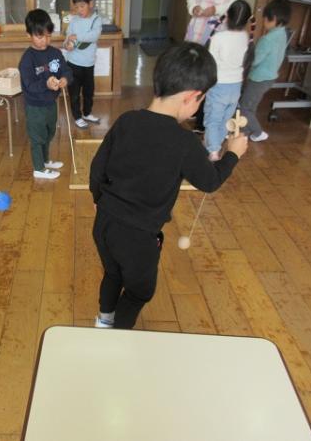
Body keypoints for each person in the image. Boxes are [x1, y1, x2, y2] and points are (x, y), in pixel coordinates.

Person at [89, 43, 248, 329]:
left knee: (113, 273)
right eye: (201, 101)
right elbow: (210, 181)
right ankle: (116, 336)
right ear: (192, 97)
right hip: (138, 237)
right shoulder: (184, 141)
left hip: (104, 223)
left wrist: (100, 200)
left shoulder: (127, 120)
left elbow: (97, 168)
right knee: (139, 291)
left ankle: (104, 321)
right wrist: (233, 154)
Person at [19, 9, 73, 180]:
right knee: (38, 137)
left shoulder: (55, 53)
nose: (45, 40)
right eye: (40, 36)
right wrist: (46, 84)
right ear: (29, 35)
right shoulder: (27, 59)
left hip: (51, 103)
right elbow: (29, 85)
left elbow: (67, 70)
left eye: (48, 36)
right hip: (35, 106)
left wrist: (64, 79)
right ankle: (39, 168)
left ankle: (45, 160)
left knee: (49, 133)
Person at [185, 0, 247, 134]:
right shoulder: (243, 38)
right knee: (195, 73)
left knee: (207, 76)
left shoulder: (226, 37)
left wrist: (216, 10)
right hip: (197, 32)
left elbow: (236, 6)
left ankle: (202, 121)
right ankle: (196, 111)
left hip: (218, 35)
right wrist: (193, 7)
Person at [204, 0, 252, 161]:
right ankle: (214, 145)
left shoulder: (218, 37)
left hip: (219, 85)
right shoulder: (245, 37)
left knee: (213, 119)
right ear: (246, 20)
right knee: (225, 120)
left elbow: (210, 63)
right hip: (236, 86)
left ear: (228, 17)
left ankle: (213, 151)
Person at [239, 0, 291, 143]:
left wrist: (245, 59)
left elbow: (255, 61)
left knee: (244, 107)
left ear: (273, 18)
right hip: (270, 78)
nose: (264, 21)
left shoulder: (267, 39)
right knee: (251, 106)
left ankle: (259, 132)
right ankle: (244, 131)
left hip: (258, 79)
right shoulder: (283, 34)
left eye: (265, 19)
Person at [64, 0, 102, 129]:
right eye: (76, 7)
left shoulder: (96, 20)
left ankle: (87, 113)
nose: (79, 10)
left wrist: (76, 37)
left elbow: (94, 36)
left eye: (82, 6)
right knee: (74, 93)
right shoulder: (74, 21)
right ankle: (77, 117)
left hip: (89, 64)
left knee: (88, 92)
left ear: (90, 4)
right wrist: (67, 44)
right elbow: (68, 37)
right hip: (73, 63)